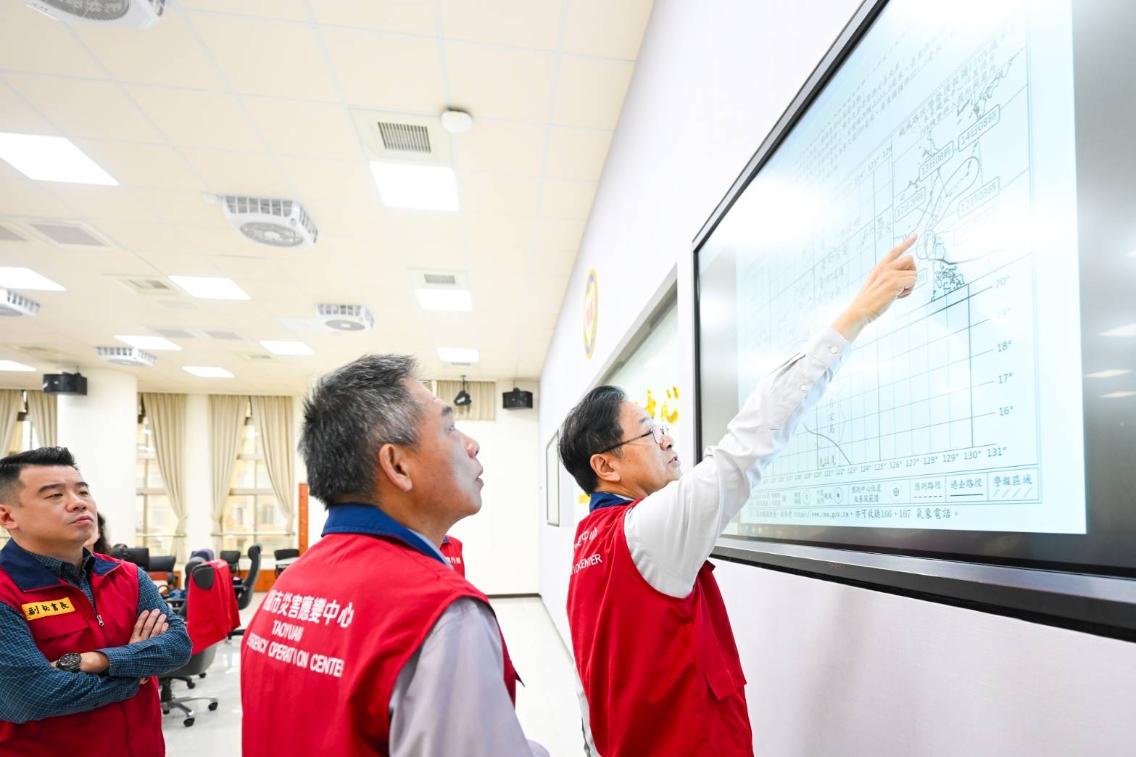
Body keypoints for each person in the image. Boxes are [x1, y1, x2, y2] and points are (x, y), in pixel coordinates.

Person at [561, 236, 919, 756]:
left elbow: (589, 686)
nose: (666, 439)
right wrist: (856, 314)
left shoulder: (588, 542)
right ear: (605, 466)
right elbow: (751, 439)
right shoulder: (647, 530)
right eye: (648, 430)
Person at [241, 355, 547, 756]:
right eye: (450, 428)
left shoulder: (286, 589)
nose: (472, 445)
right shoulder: (440, 614)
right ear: (398, 465)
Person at [0, 447, 192, 756]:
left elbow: (178, 646)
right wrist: (137, 674)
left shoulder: (127, 575)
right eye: (55, 495)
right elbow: (28, 697)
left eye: (82, 491)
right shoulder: (5, 591)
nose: (79, 503)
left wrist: (96, 660)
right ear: (7, 516)